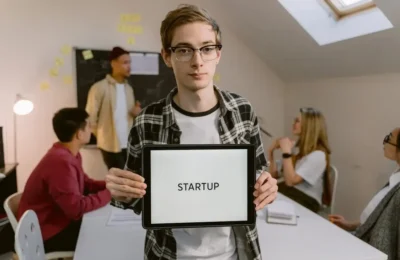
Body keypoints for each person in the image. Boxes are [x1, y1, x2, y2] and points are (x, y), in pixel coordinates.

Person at [105, 4, 278, 260]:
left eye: (207, 48)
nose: (197, 62)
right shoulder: (146, 121)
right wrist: (121, 191)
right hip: (168, 254)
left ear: (218, 54)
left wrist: (268, 186)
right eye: (184, 50)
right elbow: (140, 199)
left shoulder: (242, 110)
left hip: (234, 253)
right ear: (167, 56)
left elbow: (259, 172)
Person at [17, 108, 111, 253]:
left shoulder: (69, 154)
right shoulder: (60, 162)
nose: (91, 130)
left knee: (104, 225)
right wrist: (110, 194)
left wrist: (111, 184)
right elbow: (76, 209)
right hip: (46, 234)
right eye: (88, 126)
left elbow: (85, 184)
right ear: (79, 134)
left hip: (58, 221)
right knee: (104, 236)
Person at [329, 128, 400, 260]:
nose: (384, 142)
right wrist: (350, 225)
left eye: (389, 138)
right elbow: (379, 219)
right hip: (363, 243)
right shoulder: (395, 178)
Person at [86, 46, 142, 170]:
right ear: (113, 63)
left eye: (130, 62)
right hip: (110, 145)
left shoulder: (129, 89)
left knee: (131, 180)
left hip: (128, 144)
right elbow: (90, 117)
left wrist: (135, 113)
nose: (129, 66)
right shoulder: (99, 87)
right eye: (125, 63)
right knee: (118, 182)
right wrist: (102, 136)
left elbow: (127, 115)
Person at [268, 107, 332, 213]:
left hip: (306, 199)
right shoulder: (298, 150)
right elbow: (274, 175)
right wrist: (271, 152)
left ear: (308, 125)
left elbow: (290, 181)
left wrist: (286, 152)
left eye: (297, 121)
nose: (293, 124)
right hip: (291, 192)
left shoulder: (318, 155)